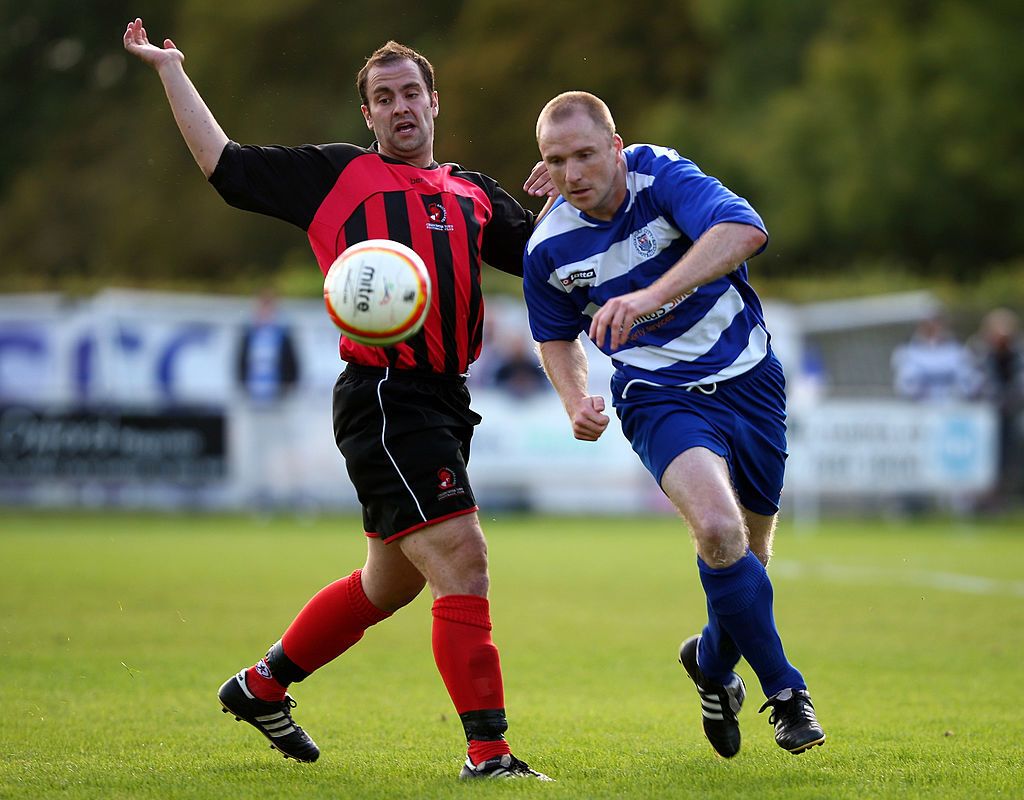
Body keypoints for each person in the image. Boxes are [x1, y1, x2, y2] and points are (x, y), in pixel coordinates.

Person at [123, 18, 553, 780]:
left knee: (389, 582)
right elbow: (224, 167)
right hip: (385, 396)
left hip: (447, 402)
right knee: (464, 558)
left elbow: (553, 264)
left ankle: (260, 686)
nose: (399, 107)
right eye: (383, 98)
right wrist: (171, 70)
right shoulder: (338, 176)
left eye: (410, 93)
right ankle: (489, 755)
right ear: (367, 115)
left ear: (434, 102)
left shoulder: (473, 193)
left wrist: (569, 194)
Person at [522, 91, 825, 758]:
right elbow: (554, 336)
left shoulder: (663, 178)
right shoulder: (548, 249)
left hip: (750, 381)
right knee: (718, 530)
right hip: (658, 396)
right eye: (555, 160)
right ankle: (786, 694)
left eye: (584, 155)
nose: (572, 174)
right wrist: (575, 398)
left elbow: (745, 230)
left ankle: (712, 667)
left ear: (617, 146)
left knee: (751, 557)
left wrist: (650, 295)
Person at [235, 289, 301, 509]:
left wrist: (287, 390)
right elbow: (239, 365)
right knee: (257, 449)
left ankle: (290, 492)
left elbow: (295, 366)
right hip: (256, 404)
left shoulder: (283, 333)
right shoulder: (248, 333)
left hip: (279, 403)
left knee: (284, 448)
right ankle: (260, 493)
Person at [892, 314, 981, 402]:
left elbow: (968, 381)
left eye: (936, 323)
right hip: (919, 408)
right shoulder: (907, 352)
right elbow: (905, 383)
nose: (933, 327)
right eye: (928, 325)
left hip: (953, 407)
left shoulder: (957, 351)